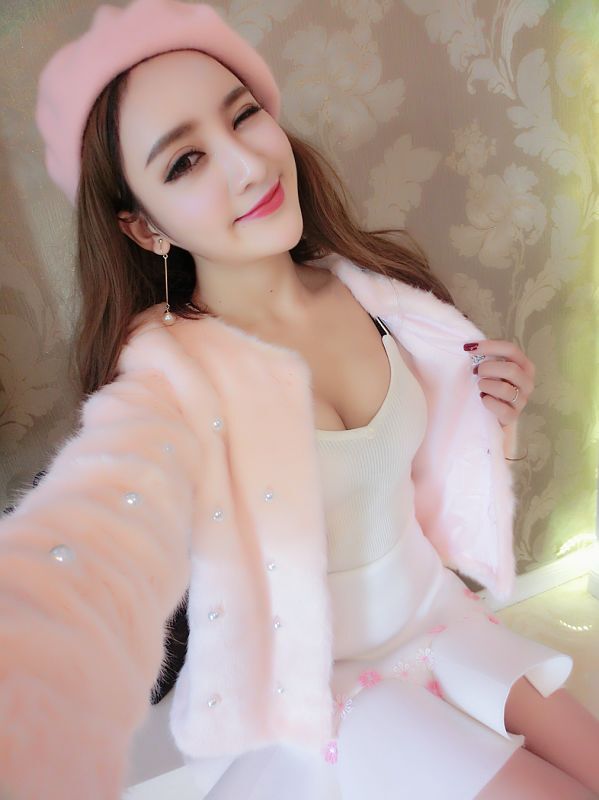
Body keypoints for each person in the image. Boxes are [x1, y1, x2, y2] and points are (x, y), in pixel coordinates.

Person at [1, 0, 598, 798]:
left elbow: (423, 493)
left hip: (434, 620)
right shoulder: (172, 375)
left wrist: (493, 422)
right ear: (144, 229)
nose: (247, 166)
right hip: (324, 695)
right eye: (185, 162)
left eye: (243, 116)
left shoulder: (377, 294)